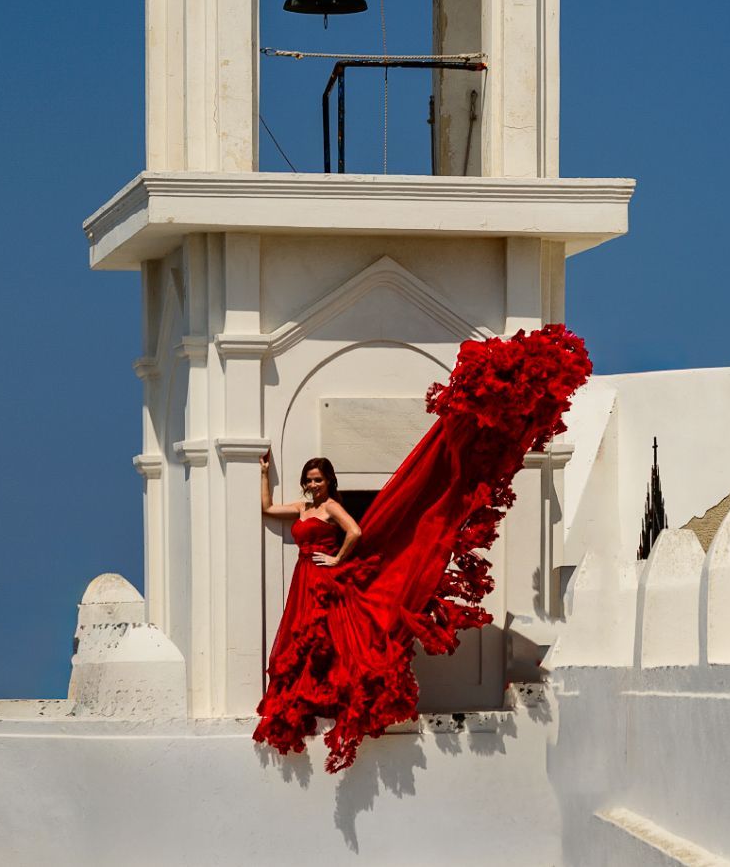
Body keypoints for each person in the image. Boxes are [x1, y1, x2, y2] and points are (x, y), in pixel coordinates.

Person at [251, 324, 592, 773]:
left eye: (318, 480)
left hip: (326, 578)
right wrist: (262, 472)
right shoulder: (301, 507)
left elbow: (356, 532)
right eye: (309, 480)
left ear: (328, 482)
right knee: (306, 642)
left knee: (342, 643)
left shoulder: (331, 507)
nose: (313, 485)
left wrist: (336, 559)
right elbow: (266, 508)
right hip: (304, 581)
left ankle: (340, 699)